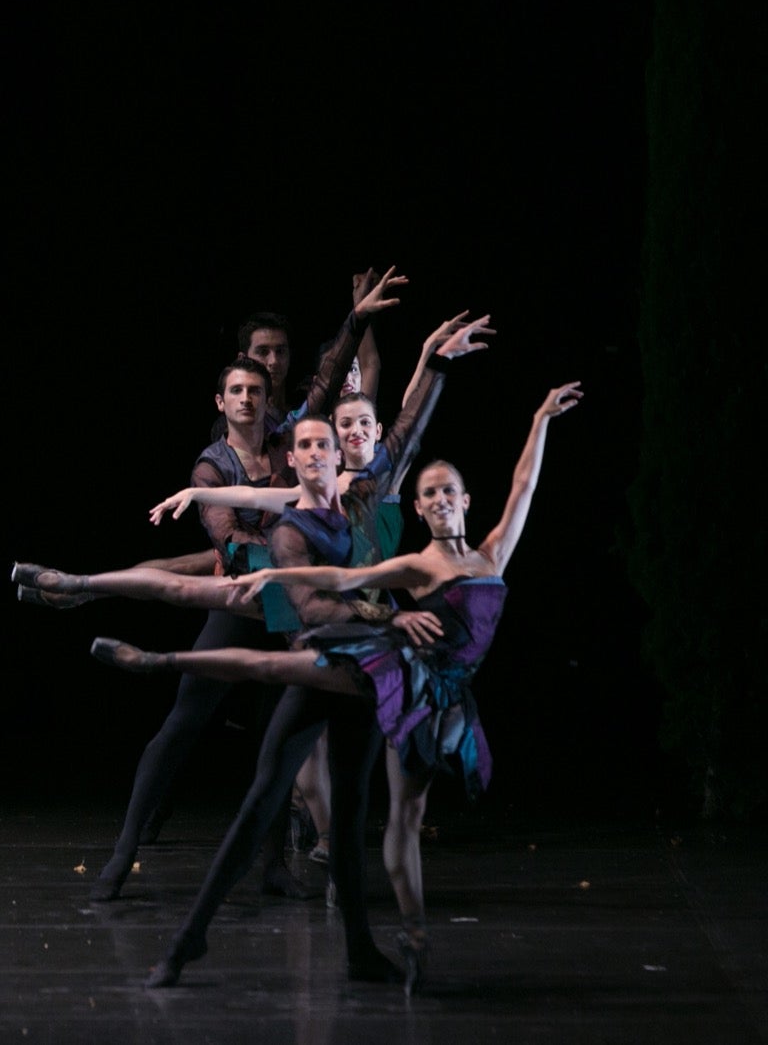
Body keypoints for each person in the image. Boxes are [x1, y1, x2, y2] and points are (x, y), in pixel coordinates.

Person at [88, 382, 583, 992]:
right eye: (313, 443)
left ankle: (363, 950)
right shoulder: (309, 528)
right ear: (295, 460)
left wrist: (456, 374)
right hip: (352, 659)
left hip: (390, 678)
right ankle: (190, 934)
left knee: (359, 821)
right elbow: (331, 585)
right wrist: (225, 518)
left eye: (333, 441)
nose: (326, 450)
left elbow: (433, 446)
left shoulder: (382, 504)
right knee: (265, 774)